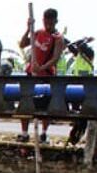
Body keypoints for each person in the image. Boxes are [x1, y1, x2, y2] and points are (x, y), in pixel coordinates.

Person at [17, 8, 64, 143]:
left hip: (46, 75)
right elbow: (22, 44)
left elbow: (55, 58)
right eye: (46, 20)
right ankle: (24, 133)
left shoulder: (58, 38)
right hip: (31, 73)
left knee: (44, 105)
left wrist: (41, 68)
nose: (48, 23)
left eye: (51, 21)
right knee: (25, 102)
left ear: (55, 21)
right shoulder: (37, 32)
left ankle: (43, 134)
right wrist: (28, 28)